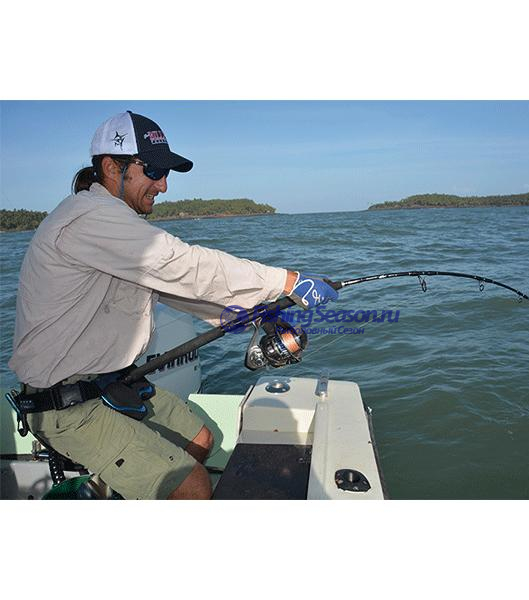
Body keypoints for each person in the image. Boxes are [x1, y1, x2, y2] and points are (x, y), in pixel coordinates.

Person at [9, 110, 338, 500]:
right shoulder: (88, 218)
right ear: (111, 167)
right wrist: (286, 281)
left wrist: (255, 317)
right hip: (66, 406)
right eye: (153, 171)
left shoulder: (114, 227)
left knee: (201, 438)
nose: (163, 185)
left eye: (165, 173)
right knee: (191, 483)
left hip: (109, 382)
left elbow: (180, 291)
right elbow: (185, 265)